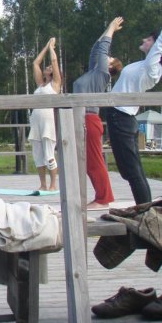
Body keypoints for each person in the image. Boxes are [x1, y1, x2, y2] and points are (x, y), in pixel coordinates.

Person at [105, 6, 162, 205]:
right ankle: (145, 208)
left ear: (157, 47)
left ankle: (145, 210)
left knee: (131, 171)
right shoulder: (144, 65)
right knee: (131, 170)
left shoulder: (152, 67)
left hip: (121, 117)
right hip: (121, 117)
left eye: (149, 39)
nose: (145, 40)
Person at [72, 17, 124, 210]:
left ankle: (103, 199)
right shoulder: (94, 73)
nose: (107, 57)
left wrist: (111, 28)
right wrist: (107, 30)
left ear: (110, 66)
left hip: (90, 120)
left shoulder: (103, 74)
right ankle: (101, 197)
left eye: (110, 58)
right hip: (81, 119)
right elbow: (96, 49)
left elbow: (102, 51)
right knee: (88, 163)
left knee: (95, 162)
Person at [28, 37, 63, 191]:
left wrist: (51, 48)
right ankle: (42, 184)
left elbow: (54, 61)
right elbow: (35, 63)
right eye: (47, 67)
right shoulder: (40, 84)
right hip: (36, 121)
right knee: (38, 155)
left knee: (49, 154)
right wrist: (46, 45)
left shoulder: (55, 84)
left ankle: (53, 184)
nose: (48, 67)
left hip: (48, 122)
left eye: (49, 67)